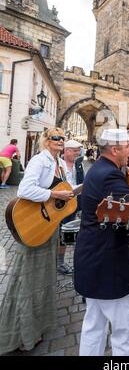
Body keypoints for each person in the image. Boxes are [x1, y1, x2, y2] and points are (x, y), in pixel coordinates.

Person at [74, 129, 129, 356]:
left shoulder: (98, 169)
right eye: (127, 146)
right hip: (109, 264)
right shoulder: (111, 176)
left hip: (92, 258)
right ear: (115, 150)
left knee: (95, 325)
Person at [0, 128, 74, 354]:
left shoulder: (58, 163)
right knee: (28, 278)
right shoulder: (39, 161)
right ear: (46, 141)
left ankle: (37, 324)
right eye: (56, 138)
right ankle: (22, 334)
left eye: (63, 137)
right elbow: (24, 189)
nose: (60, 141)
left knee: (41, 277)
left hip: (48, 226)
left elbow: (66, 191)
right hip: (34, 226)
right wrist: (54, 195)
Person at [57, 139, 85, 275]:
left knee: (67, 234)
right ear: (66, 150)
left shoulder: (79, 165)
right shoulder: (58, 164)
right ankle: (57, 262)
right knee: (58, 234)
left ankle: (61, 262)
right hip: (58, 205)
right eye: (74, 151)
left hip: (74, 204)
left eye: (78, 150)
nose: (77, 153)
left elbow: (81, 183)